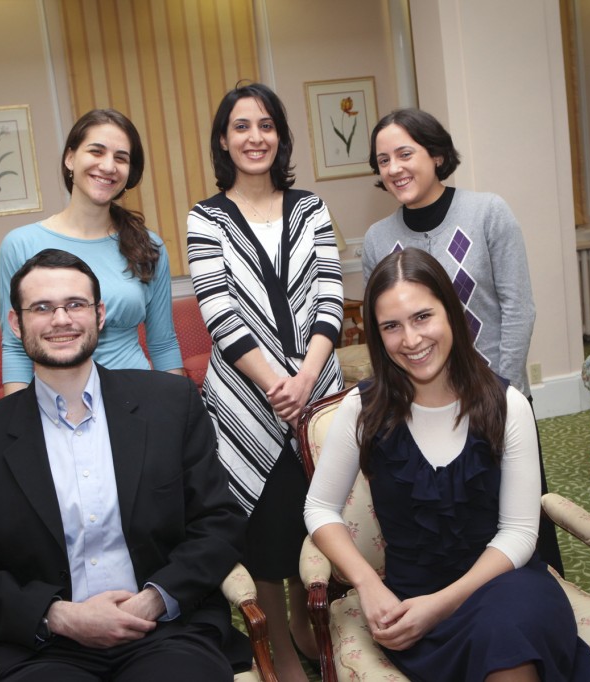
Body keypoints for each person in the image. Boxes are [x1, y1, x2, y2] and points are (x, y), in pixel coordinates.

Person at [0, 248, 249, 681]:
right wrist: (59, 616)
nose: (61, 320)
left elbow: (219, 523)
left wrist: (154, 599)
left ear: (99, 315)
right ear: (16, 322)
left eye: (75, 305)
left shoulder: (171, 406)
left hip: (164, 630)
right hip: (39, 647)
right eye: (42, 307)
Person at [304, 248, 590, 682]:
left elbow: (521, 533)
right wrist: (369, 584)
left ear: (452, 313)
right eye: (392, 326)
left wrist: (442, 603)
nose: (411, 339)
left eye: (423, 317)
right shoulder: (361, 408)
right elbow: (318, 508)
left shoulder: (508, 404)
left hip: (506, 586)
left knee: (507, 638)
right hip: (412, 604)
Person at [361, 108, 564, 575]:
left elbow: (519, 307)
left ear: (435, 153)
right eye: (383, 159)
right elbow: (386, 332)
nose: (394, 168)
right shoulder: (378, 239)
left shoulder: (488, 212)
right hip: (425, 413)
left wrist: (500, 392)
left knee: (518, 531)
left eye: (405, 153)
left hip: (493, 401)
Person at [186, 82, 344, 682]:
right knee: (267, 535)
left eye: (266, 125)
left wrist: (306, 376)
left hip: (318, 392)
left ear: (280, 135)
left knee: (320, 513)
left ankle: (312, 623)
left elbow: (329, 290)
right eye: (241, 127)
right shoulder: (206, 217)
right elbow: (218, 310)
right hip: (247, 403)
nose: (255, 137)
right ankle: (278, 642)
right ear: (224, 139)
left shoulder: (311, 208)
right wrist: (278, 382)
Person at [0, 109, 182, 395]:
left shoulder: (149, 246)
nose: (108, 166)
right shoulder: (20, 244)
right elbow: (14, 346)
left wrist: (178, 411)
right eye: (96, 151)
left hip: (139, 399)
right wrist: (17, 427)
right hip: (55, 405)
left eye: (120, 158)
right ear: (70, 158)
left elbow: (163, 342)